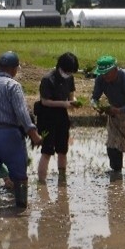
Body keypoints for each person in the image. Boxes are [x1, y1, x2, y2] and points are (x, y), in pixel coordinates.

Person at [0, 51, 43, 208]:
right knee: (19, 175)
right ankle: (21, 208)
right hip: (10, 136)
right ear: (14, 69)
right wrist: (34, 134)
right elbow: (22, 112)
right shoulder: (14, 86)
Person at [90, 55, 125, 173]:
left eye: (107, 73)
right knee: (112, 145)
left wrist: (119, 110)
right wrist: (95, 105)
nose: (104, 76)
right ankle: (116, 174)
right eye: (102, 74)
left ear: (115, 70)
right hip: (114, 114)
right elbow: (95, 97)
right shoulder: (100, 79)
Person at [35, 52, 80, 184]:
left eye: (71, 72)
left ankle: (62, 179)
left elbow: (71, 96)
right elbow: (45, 101)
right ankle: (42, 182)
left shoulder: (70, 78)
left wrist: (73, 102)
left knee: (62, 149)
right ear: (60, 67)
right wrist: (64, 104)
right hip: (47, 116)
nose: (69, 74)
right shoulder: (48, 79)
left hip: (62, 116)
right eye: (67, 71)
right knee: (47, 150)